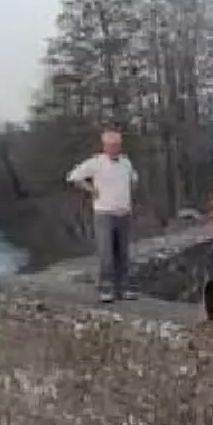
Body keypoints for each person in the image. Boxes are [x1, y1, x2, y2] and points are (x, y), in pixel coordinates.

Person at [67, 128, 139, 303]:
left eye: (117, 145)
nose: (115, 148)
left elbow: (134, 179)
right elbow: (73, 177)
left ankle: (123, 288)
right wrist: (90, 189)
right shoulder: (96, 163)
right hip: (104, 213)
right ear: (105, 146)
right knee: (106, 252)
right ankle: (106, 289)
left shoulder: (125, 163)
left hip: (123, 212)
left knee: (123, 253)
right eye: (111, 145)